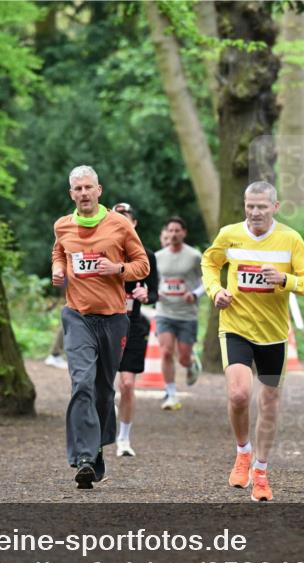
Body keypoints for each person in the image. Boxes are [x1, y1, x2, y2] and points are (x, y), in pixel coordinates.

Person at [201, 181, 304, 501]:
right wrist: (216, 291)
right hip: (236, 326)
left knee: (269, 402)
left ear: (275, 208)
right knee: (239, 395)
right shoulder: (229, 234)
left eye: (261, 207)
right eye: (250, 206)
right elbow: (209, 264)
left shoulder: (290, 240)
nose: (254, 212)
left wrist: (284, 279)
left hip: (273, 335)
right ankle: (243, 453)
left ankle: (262, 471)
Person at [51, 166, 149, 489]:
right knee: (82, 384)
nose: (83, 193)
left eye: (88, 187)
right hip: (77, 316)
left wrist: (117, 268)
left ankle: (96, 451)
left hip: (113, 318)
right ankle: (83, 457)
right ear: (71, 194)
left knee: (104, 391)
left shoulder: (119, 225)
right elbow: (59, 252)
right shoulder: (63, 225)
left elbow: (142, 265)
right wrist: (58, 268)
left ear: (99, 190)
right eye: (77, 188)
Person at [112, 202, 159, 457]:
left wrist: (146, 295)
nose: (121, 222)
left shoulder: (147, 255)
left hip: (133, 325)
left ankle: (124, 439)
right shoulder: (102, 251)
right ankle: (100, 434)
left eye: (125, 218)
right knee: (102, 385)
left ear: (134, 223)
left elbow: (155, 292)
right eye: (116, 217)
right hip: (104, 325)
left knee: (127, 385)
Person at [154, 216, 204, 410]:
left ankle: (191, 362)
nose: (173, 234)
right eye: (170, 231)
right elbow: (154, 281)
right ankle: (171, 394)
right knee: (166, 352)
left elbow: (207, 281)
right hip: (164, 312)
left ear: (184, 233)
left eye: (177, 230)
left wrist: (195, 294)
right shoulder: (158, 256)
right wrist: (155, 293)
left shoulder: (194, 256)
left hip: (187, 314)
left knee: (182, 358)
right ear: (166, 233)